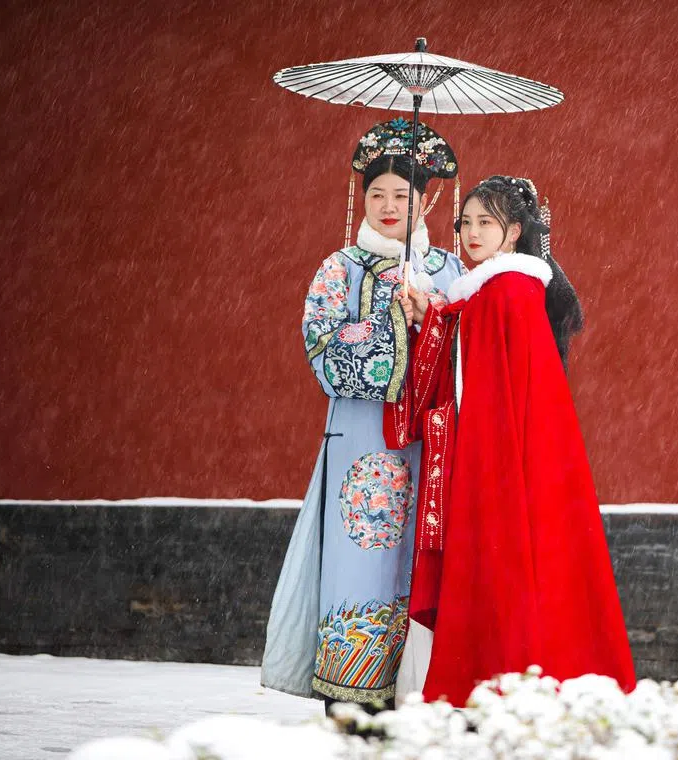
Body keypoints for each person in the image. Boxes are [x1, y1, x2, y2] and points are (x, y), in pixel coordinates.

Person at [385, 176, 635, 706]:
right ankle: (505, 677)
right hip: (499, 453)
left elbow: (486, 378)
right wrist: (432, 315)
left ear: (515, 231)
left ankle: (499, 677)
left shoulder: (510, 291)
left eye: (486, 222)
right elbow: (469, 353)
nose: (472, 233)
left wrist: (438, 321)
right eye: (466, 222)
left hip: (501, 458)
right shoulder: (490, 293)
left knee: (503, 569)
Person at [261, 119, 466, 709]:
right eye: (377, 194)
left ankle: (421, 690)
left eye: (402, 194)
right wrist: (392, 322)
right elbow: (321, 349)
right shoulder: (340, 268)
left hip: (429, 447)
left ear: (425, 201)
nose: (389, 206)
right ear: (363, 199)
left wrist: (432, 317)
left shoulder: (449, 271)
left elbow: (468, 354)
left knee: (425, 565)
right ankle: (351, 695)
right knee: (358, 562)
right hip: (359, 443)